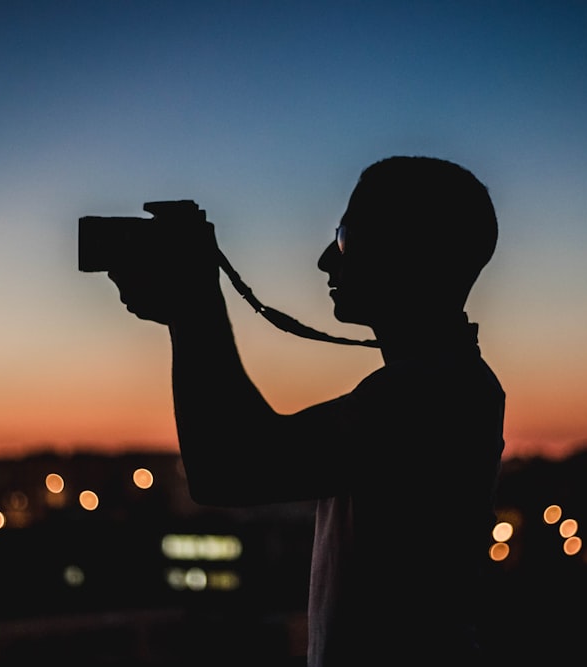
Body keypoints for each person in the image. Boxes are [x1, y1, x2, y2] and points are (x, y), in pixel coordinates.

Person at [108, 156, 504, 666]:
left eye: (344, 237)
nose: (325, 259)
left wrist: (192, 306)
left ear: (409, 253)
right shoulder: (445, 385)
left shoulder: (432, 395)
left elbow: (227, 469)